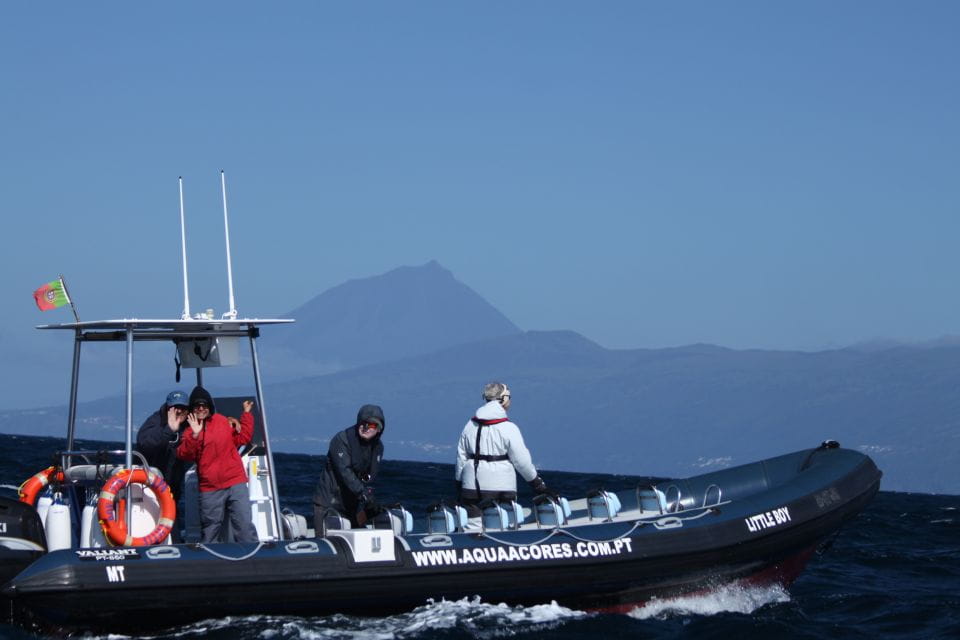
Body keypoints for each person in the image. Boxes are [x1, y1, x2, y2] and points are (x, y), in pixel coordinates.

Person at [455, 381, 555, 516]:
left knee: (473, 525)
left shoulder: (469, 426)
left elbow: (461, 459)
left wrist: (459, 484)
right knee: (500, 522)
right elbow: (522, 462)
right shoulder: (509, 428)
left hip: (470, 488)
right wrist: (538, 485)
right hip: (501, 488)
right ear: (504, 399)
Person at [176, 386, 258, 543]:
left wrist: (246, 414)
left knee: (244, 524)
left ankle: (252, 554)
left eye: (204, 405)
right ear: (192, 408)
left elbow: (243, 438)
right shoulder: (188, 431)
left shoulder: (222, 421)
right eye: (197, 406)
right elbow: (184, 454)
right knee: (210, 530)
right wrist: (195, 435)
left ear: (209, 406)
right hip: (210, 487)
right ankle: (209, 556)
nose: (201, 408)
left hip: (235, 481)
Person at [313, 404, 386, 529]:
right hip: (328, 504)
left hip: (351, 506)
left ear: (379, 429)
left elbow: (369, 477)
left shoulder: (378, 448)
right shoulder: (341, 440)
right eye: (363, 423)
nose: (366, 427)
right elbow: (344, 471)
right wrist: (363, 493)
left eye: (371, 425)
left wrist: (371, 500)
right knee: (328, 538)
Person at [136, 390, 190, 541]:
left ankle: (175, 544)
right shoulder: (156, 421)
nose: (179, 411)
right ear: (167, 408)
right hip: (152, 486)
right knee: (152, 519)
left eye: (183, 408)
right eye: (174, 408)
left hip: (175, 486)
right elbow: (145, 443)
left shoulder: (189, 425)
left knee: (174, 522)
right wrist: (168, 430)